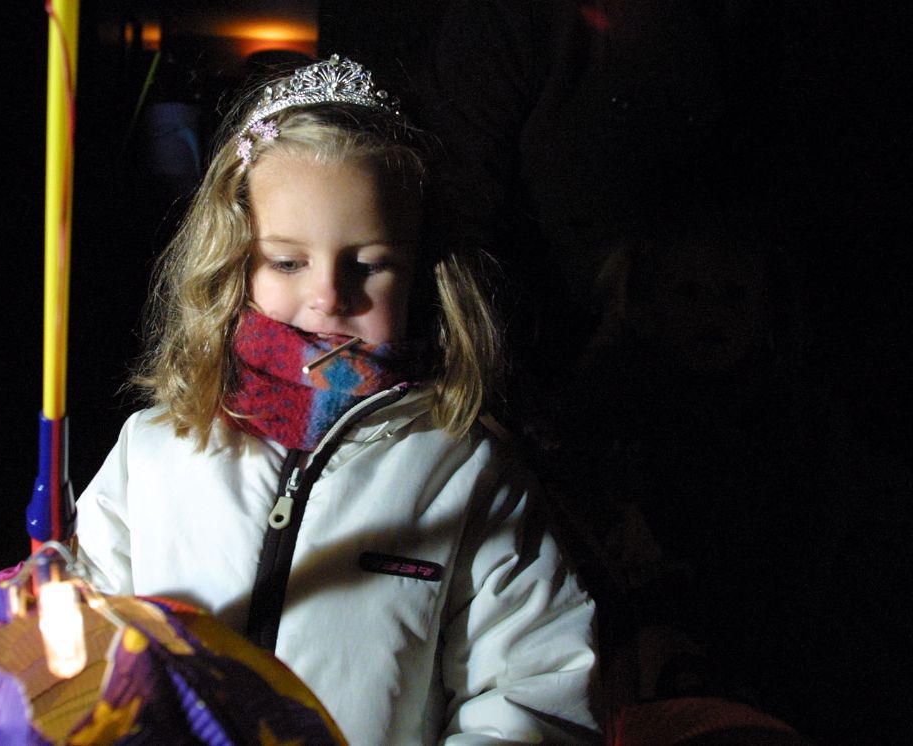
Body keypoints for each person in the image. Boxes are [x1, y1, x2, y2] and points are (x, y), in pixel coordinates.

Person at [73, 55, 599, 744]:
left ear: (422, 274)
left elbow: (535, 694)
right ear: (234, 260)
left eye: (369, 264)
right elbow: (82, 646)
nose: (329, 296)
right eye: (288, 262)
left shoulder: (466, 474)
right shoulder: (154, 452)